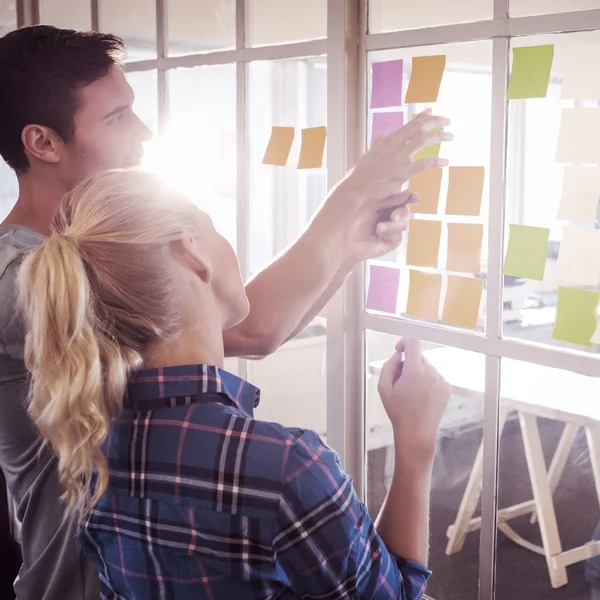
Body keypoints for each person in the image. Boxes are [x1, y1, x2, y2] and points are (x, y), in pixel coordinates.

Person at [0, 25, 451, 600]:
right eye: (117, 118)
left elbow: (242, 329)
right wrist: (354, 192)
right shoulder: (22, 275)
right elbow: (249, 324)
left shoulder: (95, 258)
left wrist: (349, 249)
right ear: (42, 142)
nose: (142, 133)